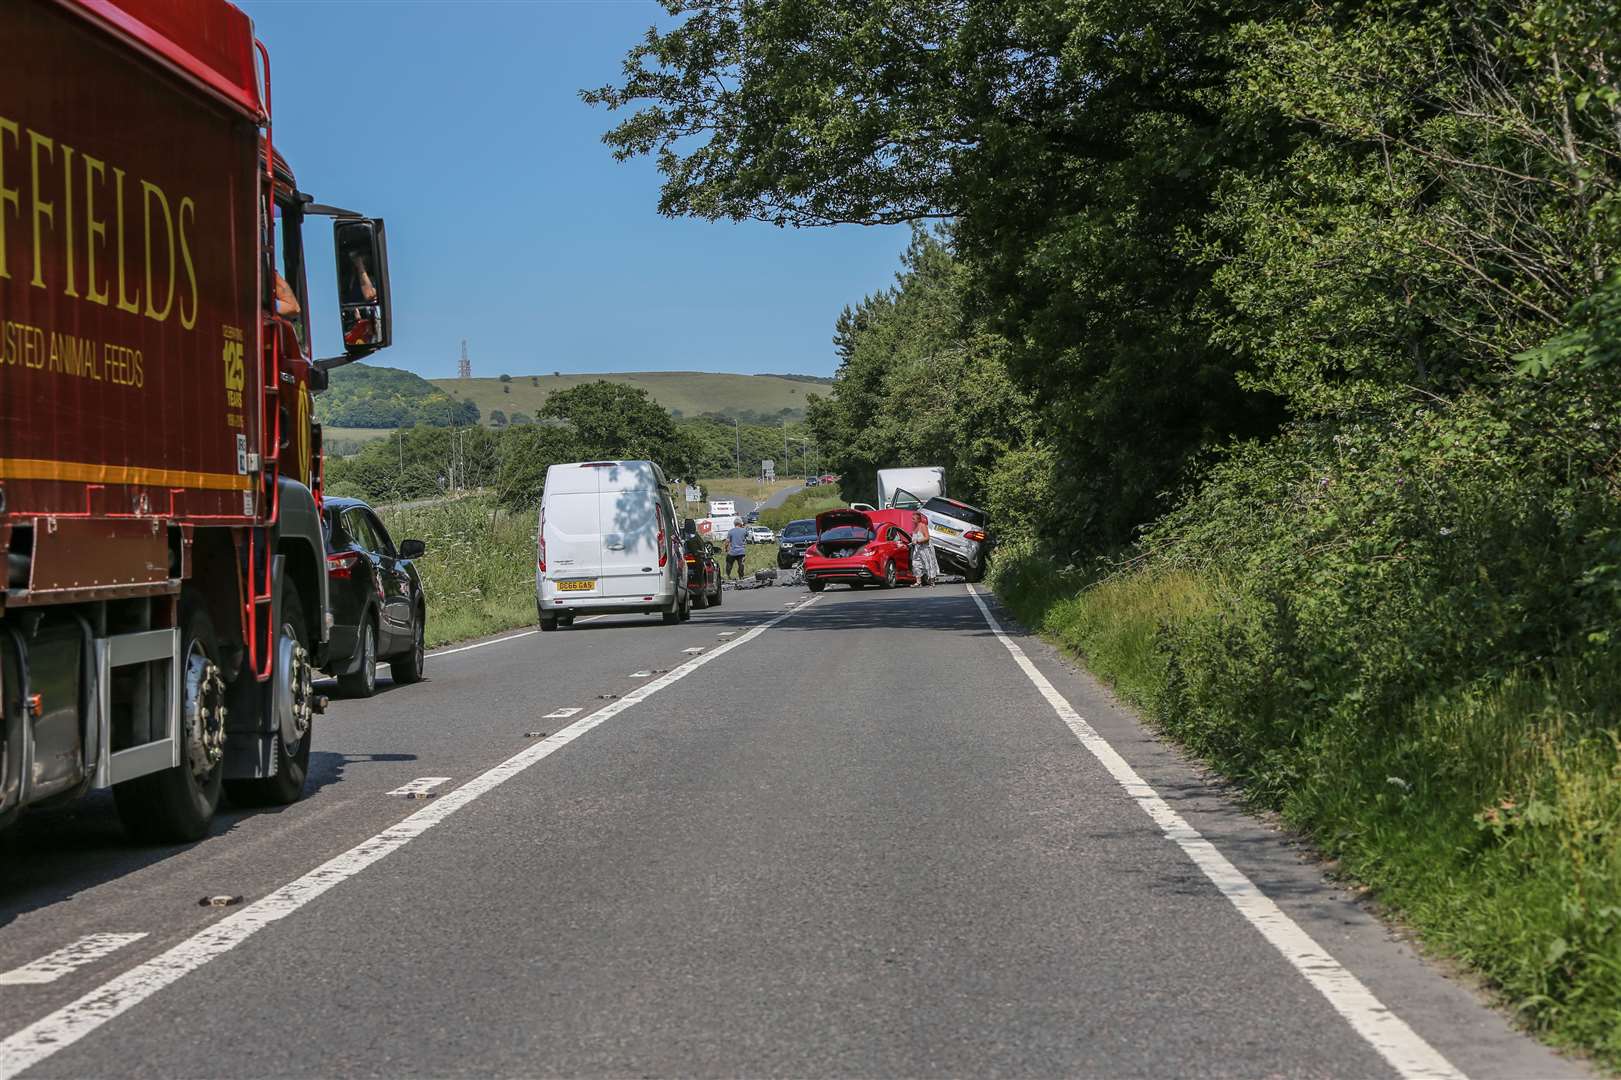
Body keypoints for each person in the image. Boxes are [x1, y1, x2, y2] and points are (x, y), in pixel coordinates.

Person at [910, 510, 939, 587]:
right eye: (912, 518)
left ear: (918, 519)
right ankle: (918, 582)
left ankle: (932, 581)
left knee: (929, 563)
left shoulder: (922, 526)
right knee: (916, 564)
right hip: (918, 549)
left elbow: (927, 537)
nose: (912, 520)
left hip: (925, 548)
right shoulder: (914, 527)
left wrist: (918, 541)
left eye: (914, 519)